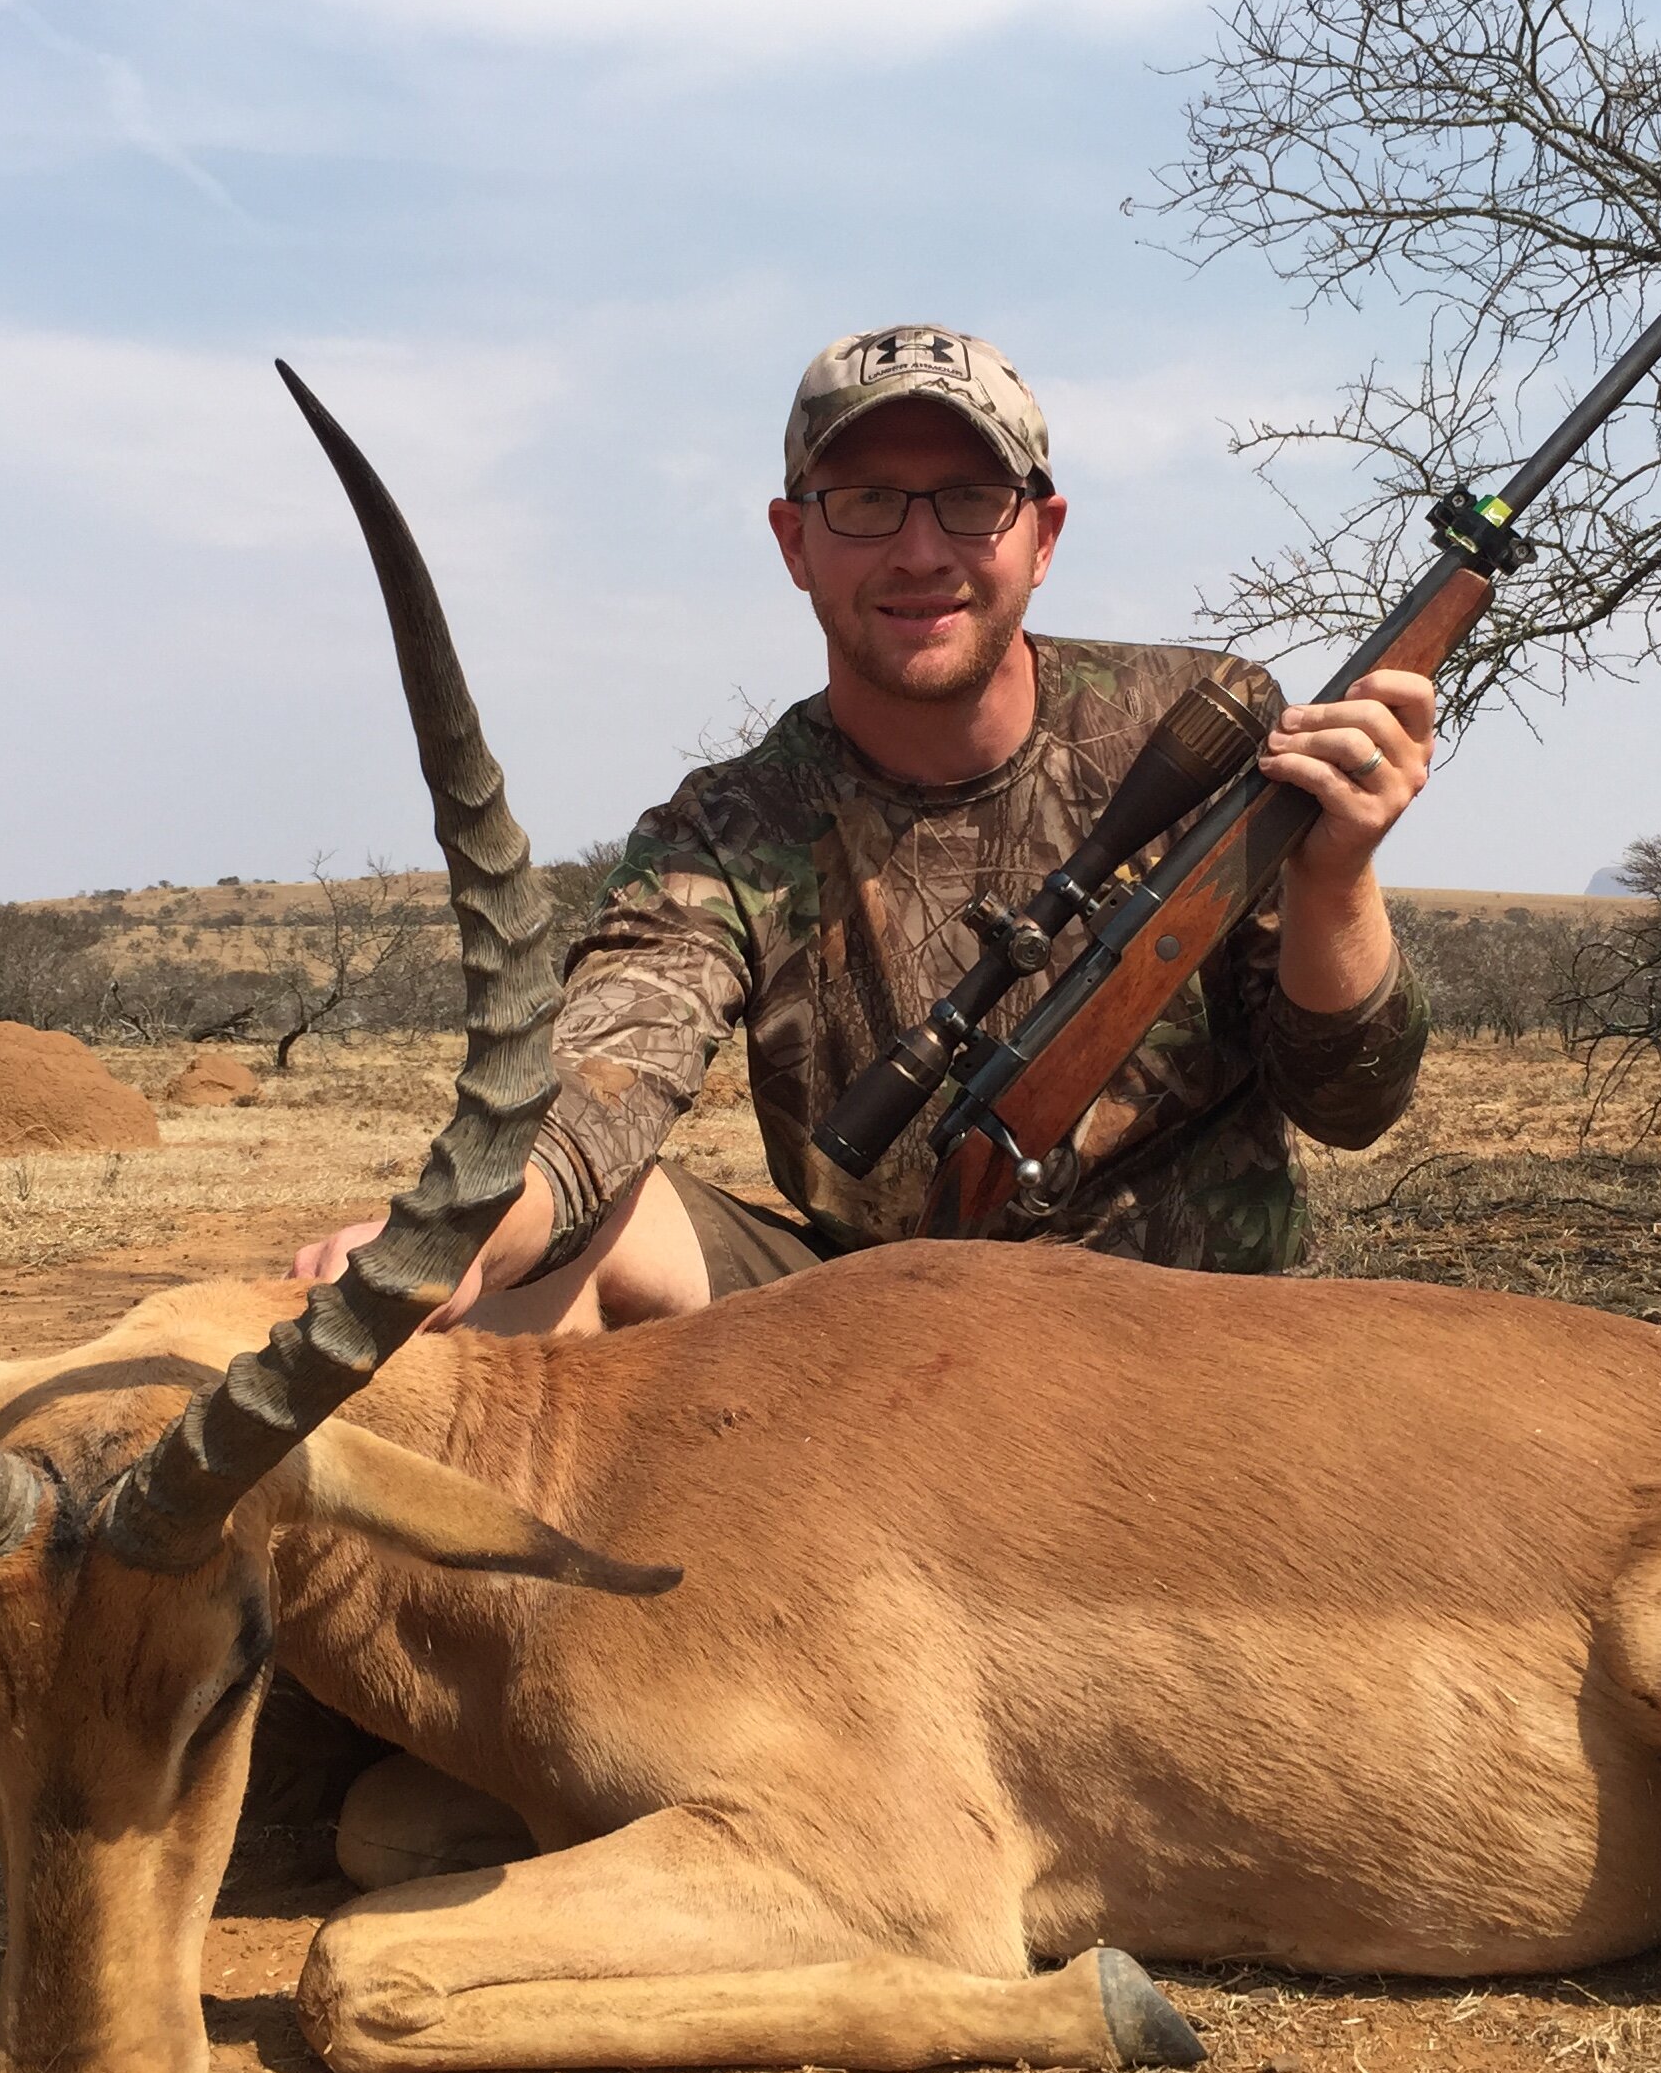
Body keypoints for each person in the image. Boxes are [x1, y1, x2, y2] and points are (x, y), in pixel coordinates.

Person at [299, 322, 1433, 1330]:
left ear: (1043, 535)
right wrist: (468, 1235)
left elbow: (1351, 1107)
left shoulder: (1206, 732)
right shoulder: (729, 827)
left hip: (1189, 1335)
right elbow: (606, 1072)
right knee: (572, 1247)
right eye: (866, 502)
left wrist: (1339, 876)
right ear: (796, 542)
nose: (920, 550)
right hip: (871, 1337)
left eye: (970, 501)